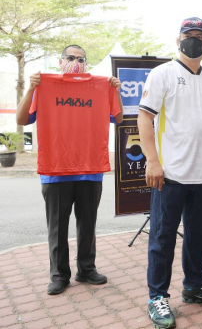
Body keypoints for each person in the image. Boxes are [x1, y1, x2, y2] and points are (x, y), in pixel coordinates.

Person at [138, 17, 202, 329]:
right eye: (189, 35)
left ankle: (194, 286)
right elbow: (145, 118)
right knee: (163, 238)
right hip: (171, 174)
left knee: (200, 236)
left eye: (200, 36)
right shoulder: (163, 73)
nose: (195, 40)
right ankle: (157, 296)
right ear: (178, 41)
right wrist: (152, 160)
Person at [16, 45, 123, 295]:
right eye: (71, 58)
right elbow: (22, 120)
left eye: (81, 59)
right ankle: (59, 275)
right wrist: (31, 87)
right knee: (57, 227)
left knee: (88, 224)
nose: (76, 62)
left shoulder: (100, 86)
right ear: (60, 60)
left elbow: (117, 119)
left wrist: (115, 90)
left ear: (87, 63)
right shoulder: (44, 85)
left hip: (90, 168)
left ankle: (86, 269)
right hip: (55, 170)